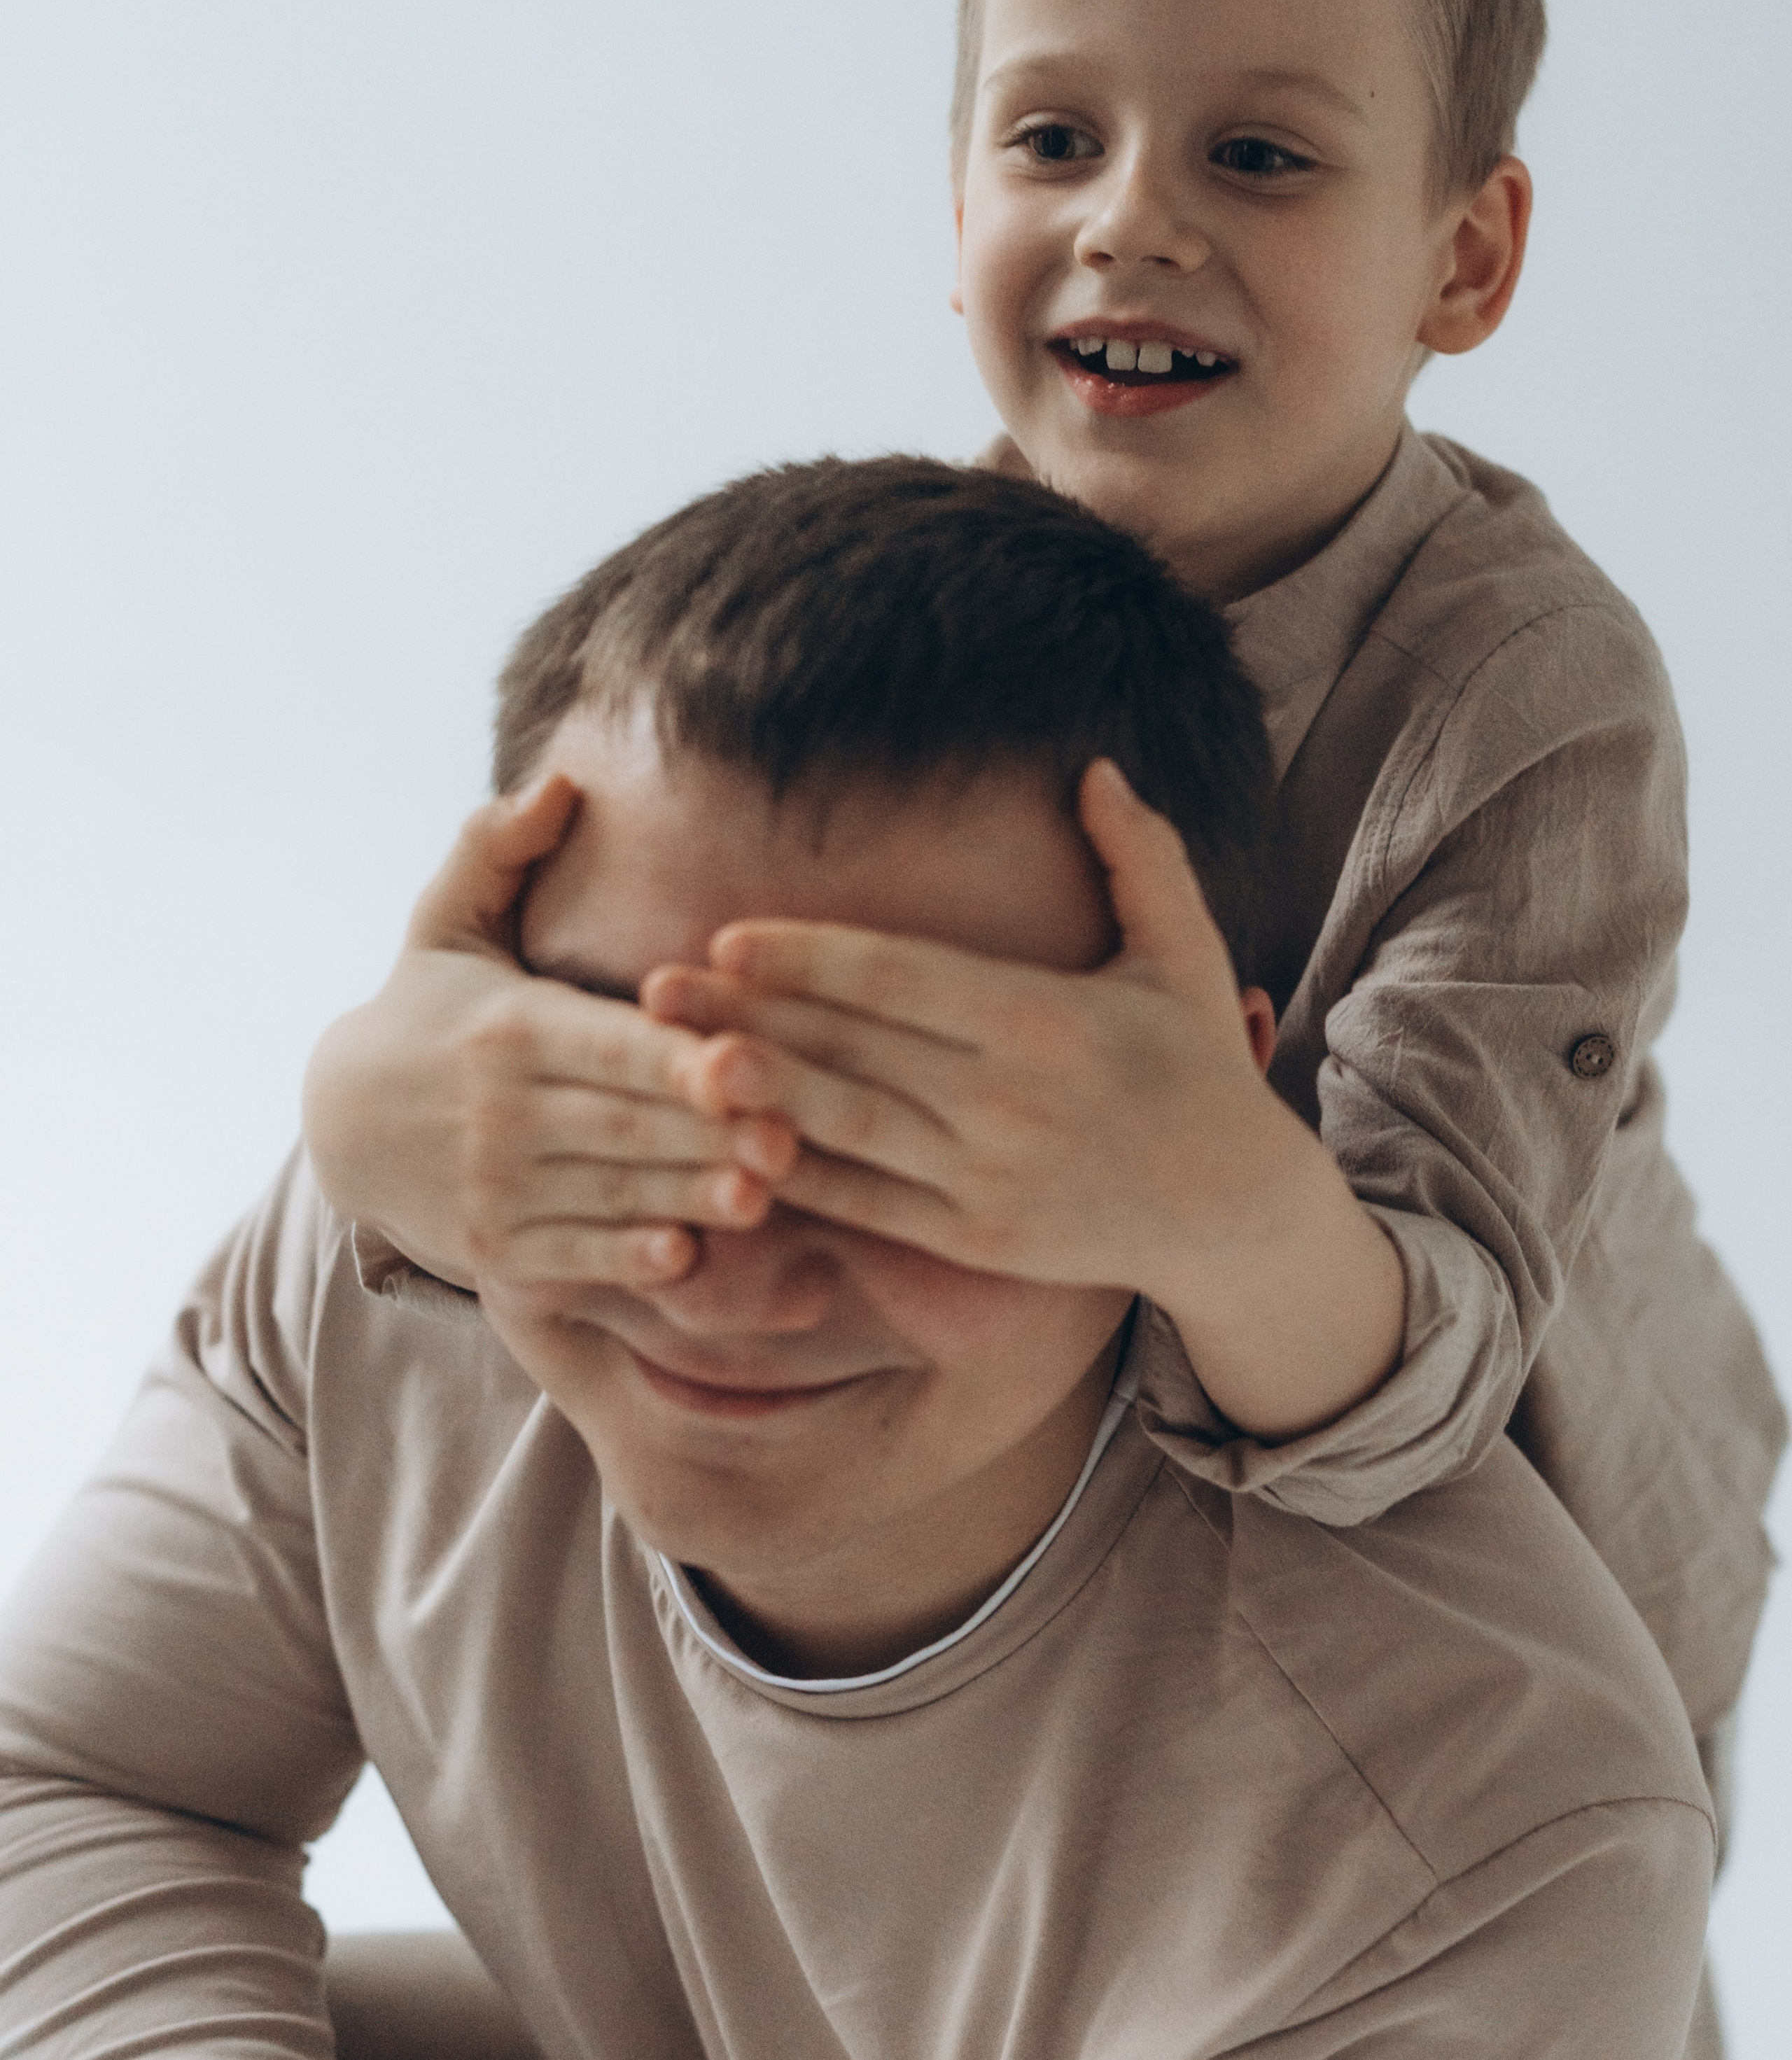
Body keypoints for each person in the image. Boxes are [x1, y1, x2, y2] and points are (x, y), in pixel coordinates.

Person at [300, 0, 1784, 1898]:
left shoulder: (1530, 694)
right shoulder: (910, 604)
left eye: (1259, 156)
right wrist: (385, 1111)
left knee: (1510, 1920)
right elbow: (643, 984)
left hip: (1495, 1493)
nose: (1132, 220)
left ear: (1464, 261)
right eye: (1053, 137)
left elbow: (1439, 1314)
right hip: (1077, 1519)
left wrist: (1196, 1196)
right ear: (958, 203)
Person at [0, 461, 1716, 2057]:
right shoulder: (431, 1198)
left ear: (1208, 1117)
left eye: (908, 1124)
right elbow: (76, 1782)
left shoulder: (1490, 1853)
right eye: (622, 1079)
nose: (719, 1273)